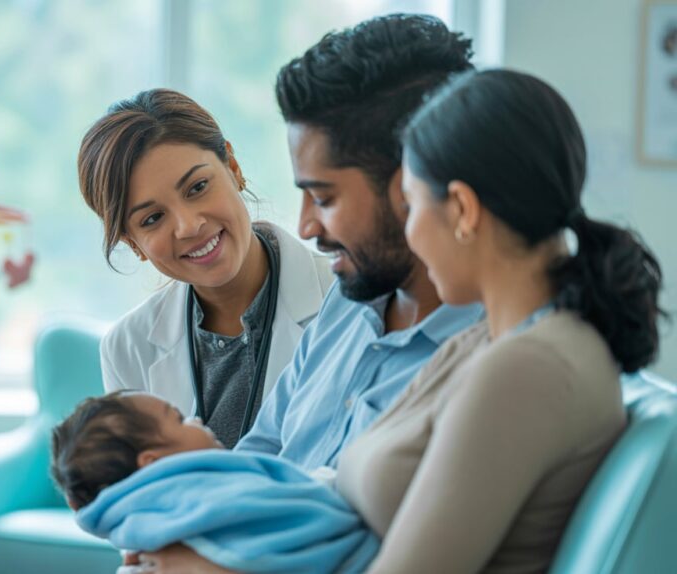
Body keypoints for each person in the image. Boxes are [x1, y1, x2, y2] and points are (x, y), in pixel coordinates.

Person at [131, 14, 484, 572]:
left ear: (412, 182)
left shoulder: (488, 358)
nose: (305, 226)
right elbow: (264, 454)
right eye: (150, 218)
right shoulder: (348, 303)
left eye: (323, 197)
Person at [334, 69, 667, 572]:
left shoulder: (527, 369)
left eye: (411, 207)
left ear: (464, 209)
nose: (411, 234)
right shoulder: (491, 340)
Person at [77, 89, 333, 448]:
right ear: (133, 244)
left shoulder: (347, 298)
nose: (188, 226)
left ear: (233, 168)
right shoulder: (128, 348)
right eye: (152, 218)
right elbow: (141, 492)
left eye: (197, 187)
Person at [51, 391, 378, 574]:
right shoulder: (205, 495)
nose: (197, 420)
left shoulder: (146, 525)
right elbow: (300, 498)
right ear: (153, 463)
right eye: (179, 419)